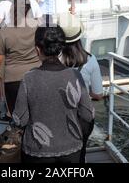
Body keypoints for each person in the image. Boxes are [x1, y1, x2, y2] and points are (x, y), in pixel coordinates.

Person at [13, 26, 95, 163]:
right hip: (72, 149)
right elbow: (88, 114)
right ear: (60, 48)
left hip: (37, 151)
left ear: (37, 49)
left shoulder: (29, 78)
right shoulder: (75, 75)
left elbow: (20, 119)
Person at [57, 12, 103, 162]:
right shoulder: (91, 60)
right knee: (80, 154)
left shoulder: (54, 59)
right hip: (83, 117)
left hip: (59, 116)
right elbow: (98, 94)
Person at [0, 0, 42, 117]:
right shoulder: (38, 27)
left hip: (13, 79)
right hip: (37, 75)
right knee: (37, 113)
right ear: (28, 10)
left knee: (16, 116)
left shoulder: (5, 31)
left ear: (13, 9)